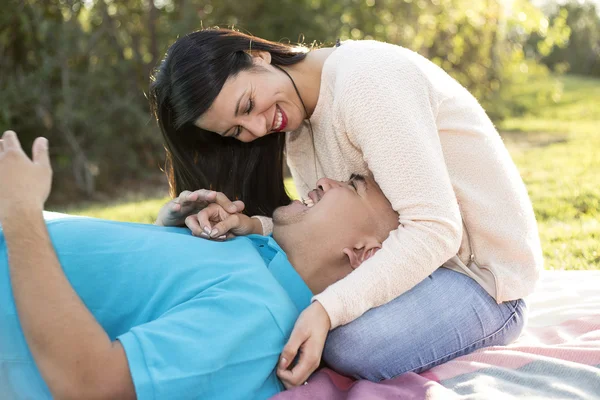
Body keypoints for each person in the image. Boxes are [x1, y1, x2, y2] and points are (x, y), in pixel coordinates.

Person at [150, 28, 543, 385]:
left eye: (248, 104)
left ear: (257, 56)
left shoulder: (366, 80)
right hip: (424, 267)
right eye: (236, 131)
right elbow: (328, 232)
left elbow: (434, 228)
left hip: (484, 282)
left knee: (349, 344)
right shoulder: (297, 121)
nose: (255, 129)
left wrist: (327, 310)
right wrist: (252, 227)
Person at [0, 130, 399, 399]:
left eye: (351, 186)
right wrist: (164, 236)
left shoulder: (259, 313)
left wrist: (21, 215)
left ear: (364, 252)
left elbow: (92, 384)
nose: (328, 181)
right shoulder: (254, 254)